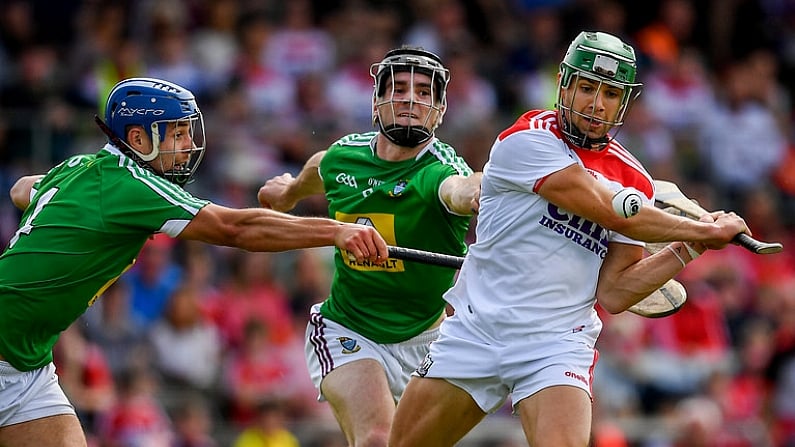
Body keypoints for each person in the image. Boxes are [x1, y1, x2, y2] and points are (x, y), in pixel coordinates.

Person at [387, 31, 750, 447]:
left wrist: (688, 248)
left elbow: (614, 293)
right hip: (476, 330)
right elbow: (609, 208)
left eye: (611, 94)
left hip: (555, 346)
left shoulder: (635, 179)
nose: (597, 104)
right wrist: (705, 229)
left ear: (625, 102)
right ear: (564, 83)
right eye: (587, 87)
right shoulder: (525, 140)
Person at [0, 77, 388, 447]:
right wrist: (335, 232)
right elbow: (235, 229)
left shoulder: (78, 171)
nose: (188, 145)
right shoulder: (133, 185)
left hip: (26, 363)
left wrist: (63, 197)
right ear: (137, 139)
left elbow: (21, 189)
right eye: (177, 133)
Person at [257, 46, 482, 446]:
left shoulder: (442, 171)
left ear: (440, 109)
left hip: (430, 342)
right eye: (398, 88)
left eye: (424, 92)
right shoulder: (346, 157)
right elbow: (320, 168)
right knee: (378, 439)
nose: (411, 99)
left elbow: (461, 191)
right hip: (349, 328)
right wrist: (288, 192)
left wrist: (487, 192)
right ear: (376, 101)